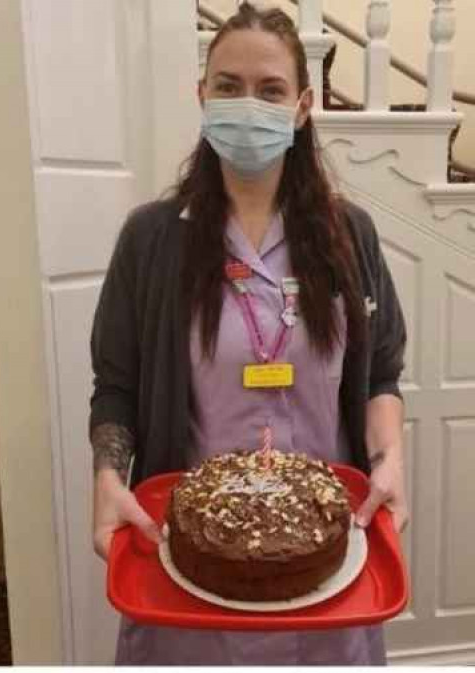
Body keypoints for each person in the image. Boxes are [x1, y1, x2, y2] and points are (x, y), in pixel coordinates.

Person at [89, 3, 408, 666]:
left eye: (270, 91)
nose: (247, 105)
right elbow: (115, 386)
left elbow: (379, 373)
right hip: (191, 569)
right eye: (228, 87)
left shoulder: (351, 236)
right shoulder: (150, 240)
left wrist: (389, 463)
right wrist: (108, 477)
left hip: (328, 561)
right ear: (202, 97)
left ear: (302, 107)